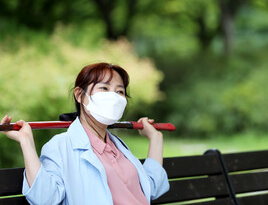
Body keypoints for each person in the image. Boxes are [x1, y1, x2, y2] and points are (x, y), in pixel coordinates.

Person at [0, 62, 169, 205]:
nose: (114, 96)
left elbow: (150, 187)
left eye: (120, 91)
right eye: (104, 88)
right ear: (80, 95)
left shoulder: (118, 147)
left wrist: (156, 138)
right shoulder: (60, 146)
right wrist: (26, 142)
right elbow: (45, 198)